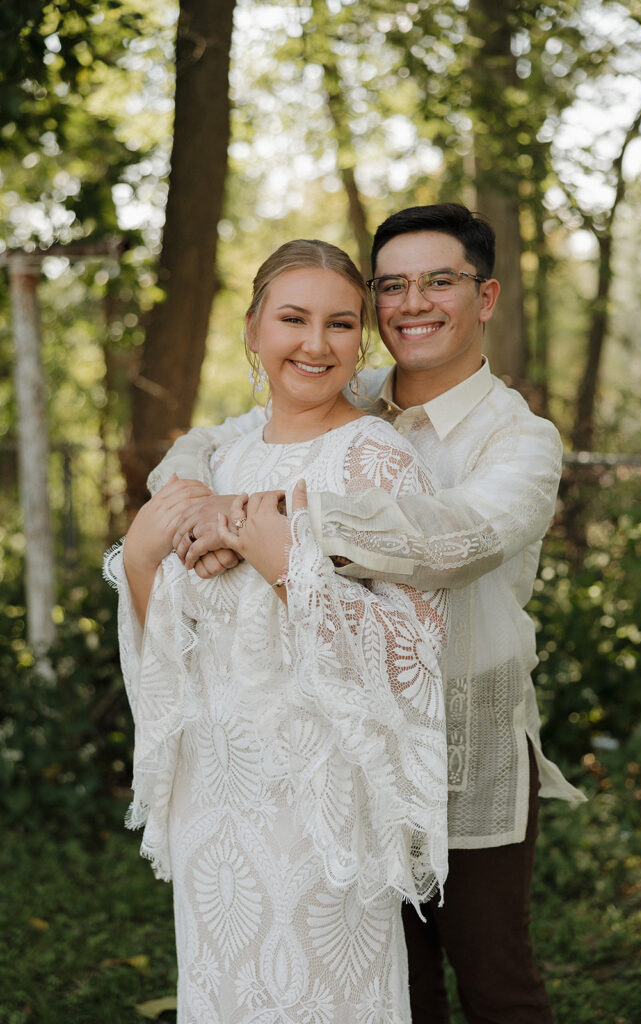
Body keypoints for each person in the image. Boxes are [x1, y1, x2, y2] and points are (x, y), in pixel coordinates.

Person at [151, 203, 587, 1024]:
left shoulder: (520, 439)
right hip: (348, 745)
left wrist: (262, 518)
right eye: (392, 285)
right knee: (391, 978)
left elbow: (459, 538)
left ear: (485, 297)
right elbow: (207, 444)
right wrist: (193, 504)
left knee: (495, 981)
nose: (412, 302)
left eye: (439, 281)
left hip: (464, 739)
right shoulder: (346, 392)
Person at [105, 239, 451, 1023]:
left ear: (358, 339)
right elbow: (169, 629)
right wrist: (143, 559)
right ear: (253, 328)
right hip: (216, 796)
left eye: (339, 324)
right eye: (293, 318)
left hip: (319, 801)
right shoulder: (219, 458)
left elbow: (415, 649)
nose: (314, 343)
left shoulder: (376, 460)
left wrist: (286, 566)